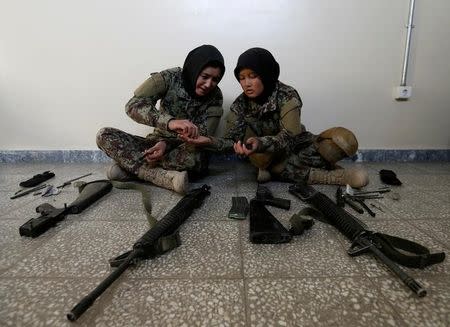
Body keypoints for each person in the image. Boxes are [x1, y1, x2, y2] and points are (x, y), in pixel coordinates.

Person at [180, 47, 369, 188]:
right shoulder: (239, 105)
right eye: (242, 78)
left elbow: (290, 136)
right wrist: (207, 141)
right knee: (266, 160)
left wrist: (262, 142)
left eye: (252, 76)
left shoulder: (287, 95)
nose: (246, 83)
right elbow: (229, 141)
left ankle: (278, 170)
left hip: (292, 144)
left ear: (266, 74)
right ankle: (335, 177)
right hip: (263, 153)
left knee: (341, 140)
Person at [96, 44, 225, 194]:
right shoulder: (169, 78)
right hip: (155, 143)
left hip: (181, 148)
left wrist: (166, 145)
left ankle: (130, 169)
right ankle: (158, 176)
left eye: (215, 79)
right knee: (104, 135)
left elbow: (201, 136)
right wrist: (169, 123)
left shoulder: (215, 96)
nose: (209, 84)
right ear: (194, 69)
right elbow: (133, 106)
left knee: (196, 156)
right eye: (204, 77)